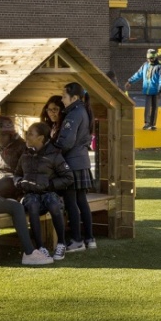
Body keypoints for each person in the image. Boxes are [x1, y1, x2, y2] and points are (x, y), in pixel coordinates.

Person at [0, 117, 52, 266]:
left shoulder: (21, 147)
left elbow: (25, 171)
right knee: (2, 186)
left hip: (15, 185)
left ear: (11, 135)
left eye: (3, 135)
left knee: (8, 181)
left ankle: (30, 252)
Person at [15, 122, 74, 261]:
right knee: (33, 205)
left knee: (54, 204)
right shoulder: (25, 154)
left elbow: (68, 177)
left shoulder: (54, 155)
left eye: (30, 134)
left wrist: (50, 185)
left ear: (40, 138)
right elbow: (17, 174)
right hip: (31, 195)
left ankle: (61, 243)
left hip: (49, 193)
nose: (27, 136)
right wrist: (18, 182)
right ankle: (40, 247)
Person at [54, 82, 97, 252]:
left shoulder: (73, 114)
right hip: (82, 162)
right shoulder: (83, 111)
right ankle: (90, 239)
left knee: (71, 202)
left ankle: (77, 240)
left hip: (72, 163)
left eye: (64, 97)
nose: (62, 100)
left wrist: (54, 153)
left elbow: (67, 142)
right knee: (81, 201)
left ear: (74, 98)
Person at [125, 48, 161, 130]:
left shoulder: (160, 66)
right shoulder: (145, 65)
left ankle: (152, 124)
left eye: (152, 58)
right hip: (147, 89)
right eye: (149, 58)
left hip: (156, 90)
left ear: (155, 57)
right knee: (147, 107)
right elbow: (138, 74)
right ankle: (147, 123)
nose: (150, 60)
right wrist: (130, 81)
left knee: (154, 107)